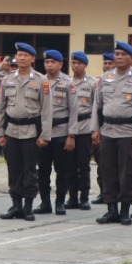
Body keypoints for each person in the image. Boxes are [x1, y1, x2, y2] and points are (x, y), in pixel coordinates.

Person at [93, 41, 132, 225]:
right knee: (107, 171)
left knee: (127, 173)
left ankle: (125, 209)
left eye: (122, 54)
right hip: (107, 131)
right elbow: (97, 105)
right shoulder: (105, 77)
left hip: (128, 131)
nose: (118, 57)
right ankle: (111, 210)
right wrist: (95, 129)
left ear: (131, 58)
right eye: (116, 54)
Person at [0, 42, 49, 221]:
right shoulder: (8, 79)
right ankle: (15, 205)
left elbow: (47, 110)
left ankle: (28, 206)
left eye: (25, 55)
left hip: (31, 132)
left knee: (29, 170)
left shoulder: (41, 80)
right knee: (14, 169)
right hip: (11, 131)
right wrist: (0, 133)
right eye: (19, 55)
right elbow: (1, 108)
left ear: (33, 58)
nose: (21, 58)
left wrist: (45, 135)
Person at [36, 50, 75, 214]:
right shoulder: (39, 81)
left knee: (62, 170)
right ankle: (45, 202)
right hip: (43, 134)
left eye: (53, 62)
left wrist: (71, 135)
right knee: (43, 170)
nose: (49, 65)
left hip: (61, 132)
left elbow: (74, 110)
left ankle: (60, 202)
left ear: (61, 64)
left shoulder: (68, 83)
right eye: (47, 62)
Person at [68, 52, 98, 210]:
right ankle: (72, 197)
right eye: (73, 62)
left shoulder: (92, 83)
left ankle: (84, 197)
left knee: (83, 164)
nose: (75, 65)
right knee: (70, 165)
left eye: (79, 63)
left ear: (85, 65)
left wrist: (95, 130)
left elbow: (96, 107)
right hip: (69, 129)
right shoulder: (67, 82)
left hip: (85, 127)